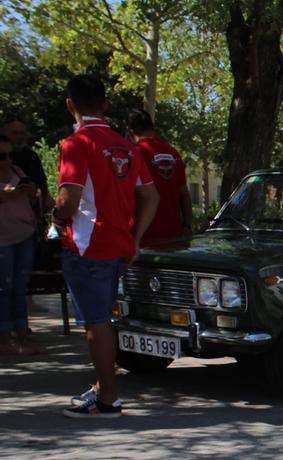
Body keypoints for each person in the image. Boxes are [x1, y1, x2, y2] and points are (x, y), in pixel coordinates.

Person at [52, 74, 159, 418]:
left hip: (86, 247)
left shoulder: (77, 142)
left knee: (96, 323)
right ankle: (102, 387)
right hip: (118, 245)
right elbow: (151, 196)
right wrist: (136, 238)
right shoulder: (127, 146)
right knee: (104, 320)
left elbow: (69, 200)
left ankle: (108, 399)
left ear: (70, 105)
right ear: (105, 104)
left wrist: (54, 215)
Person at [0, 133, 46, 355]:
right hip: (3, 240)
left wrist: (31, 193)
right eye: (2, 156)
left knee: (19, 288)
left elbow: (35, 199)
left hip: (24, 235)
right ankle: (5, 337)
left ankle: (22, 336)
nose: (7, 160)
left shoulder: (18, 172)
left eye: (10, 155)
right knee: (4, 289)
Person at [126, 109, 191, 243]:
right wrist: (187, 226)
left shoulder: (134, 154)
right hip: (174, 237)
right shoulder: (173, 153)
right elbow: (184, 194)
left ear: (130, 133)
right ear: (152, 128)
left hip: (144, 238)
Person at [2, 118, 53, 218]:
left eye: (22, 133)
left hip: (28, 214)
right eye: (14, 133)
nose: (19, 137)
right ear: (4, 133)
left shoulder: (30, 155)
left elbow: (41, 182)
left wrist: (45, 199)